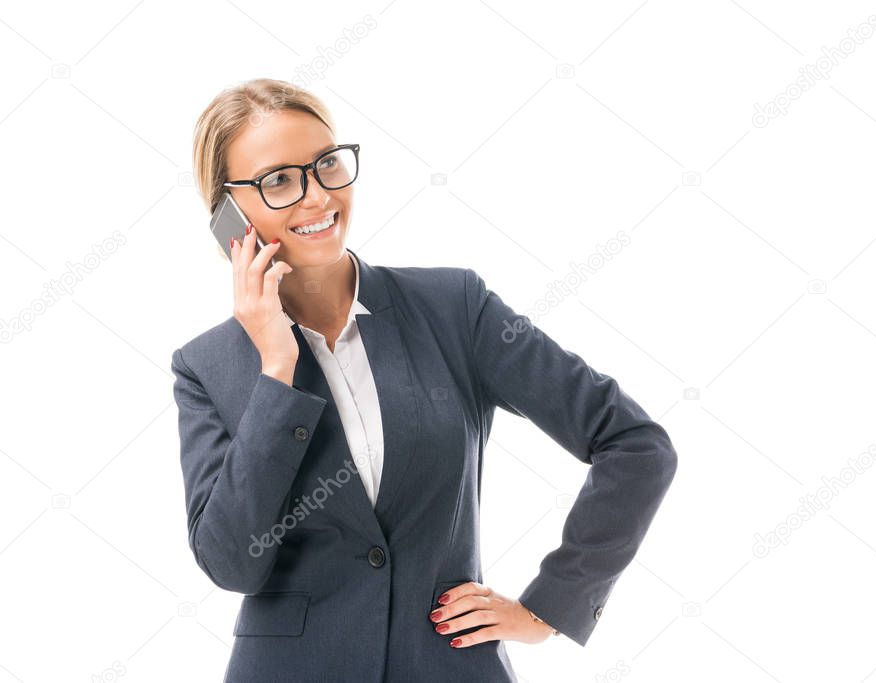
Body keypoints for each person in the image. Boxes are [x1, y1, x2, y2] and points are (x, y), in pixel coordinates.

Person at [171, 77, 678, 682]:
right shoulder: (207, 367)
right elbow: (232, 565)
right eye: (279, 180)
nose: (316, 197)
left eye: (327, 165)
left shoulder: (454, 308)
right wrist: (276, 372)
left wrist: (549, 607)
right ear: (228, 214)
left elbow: (635, 445)